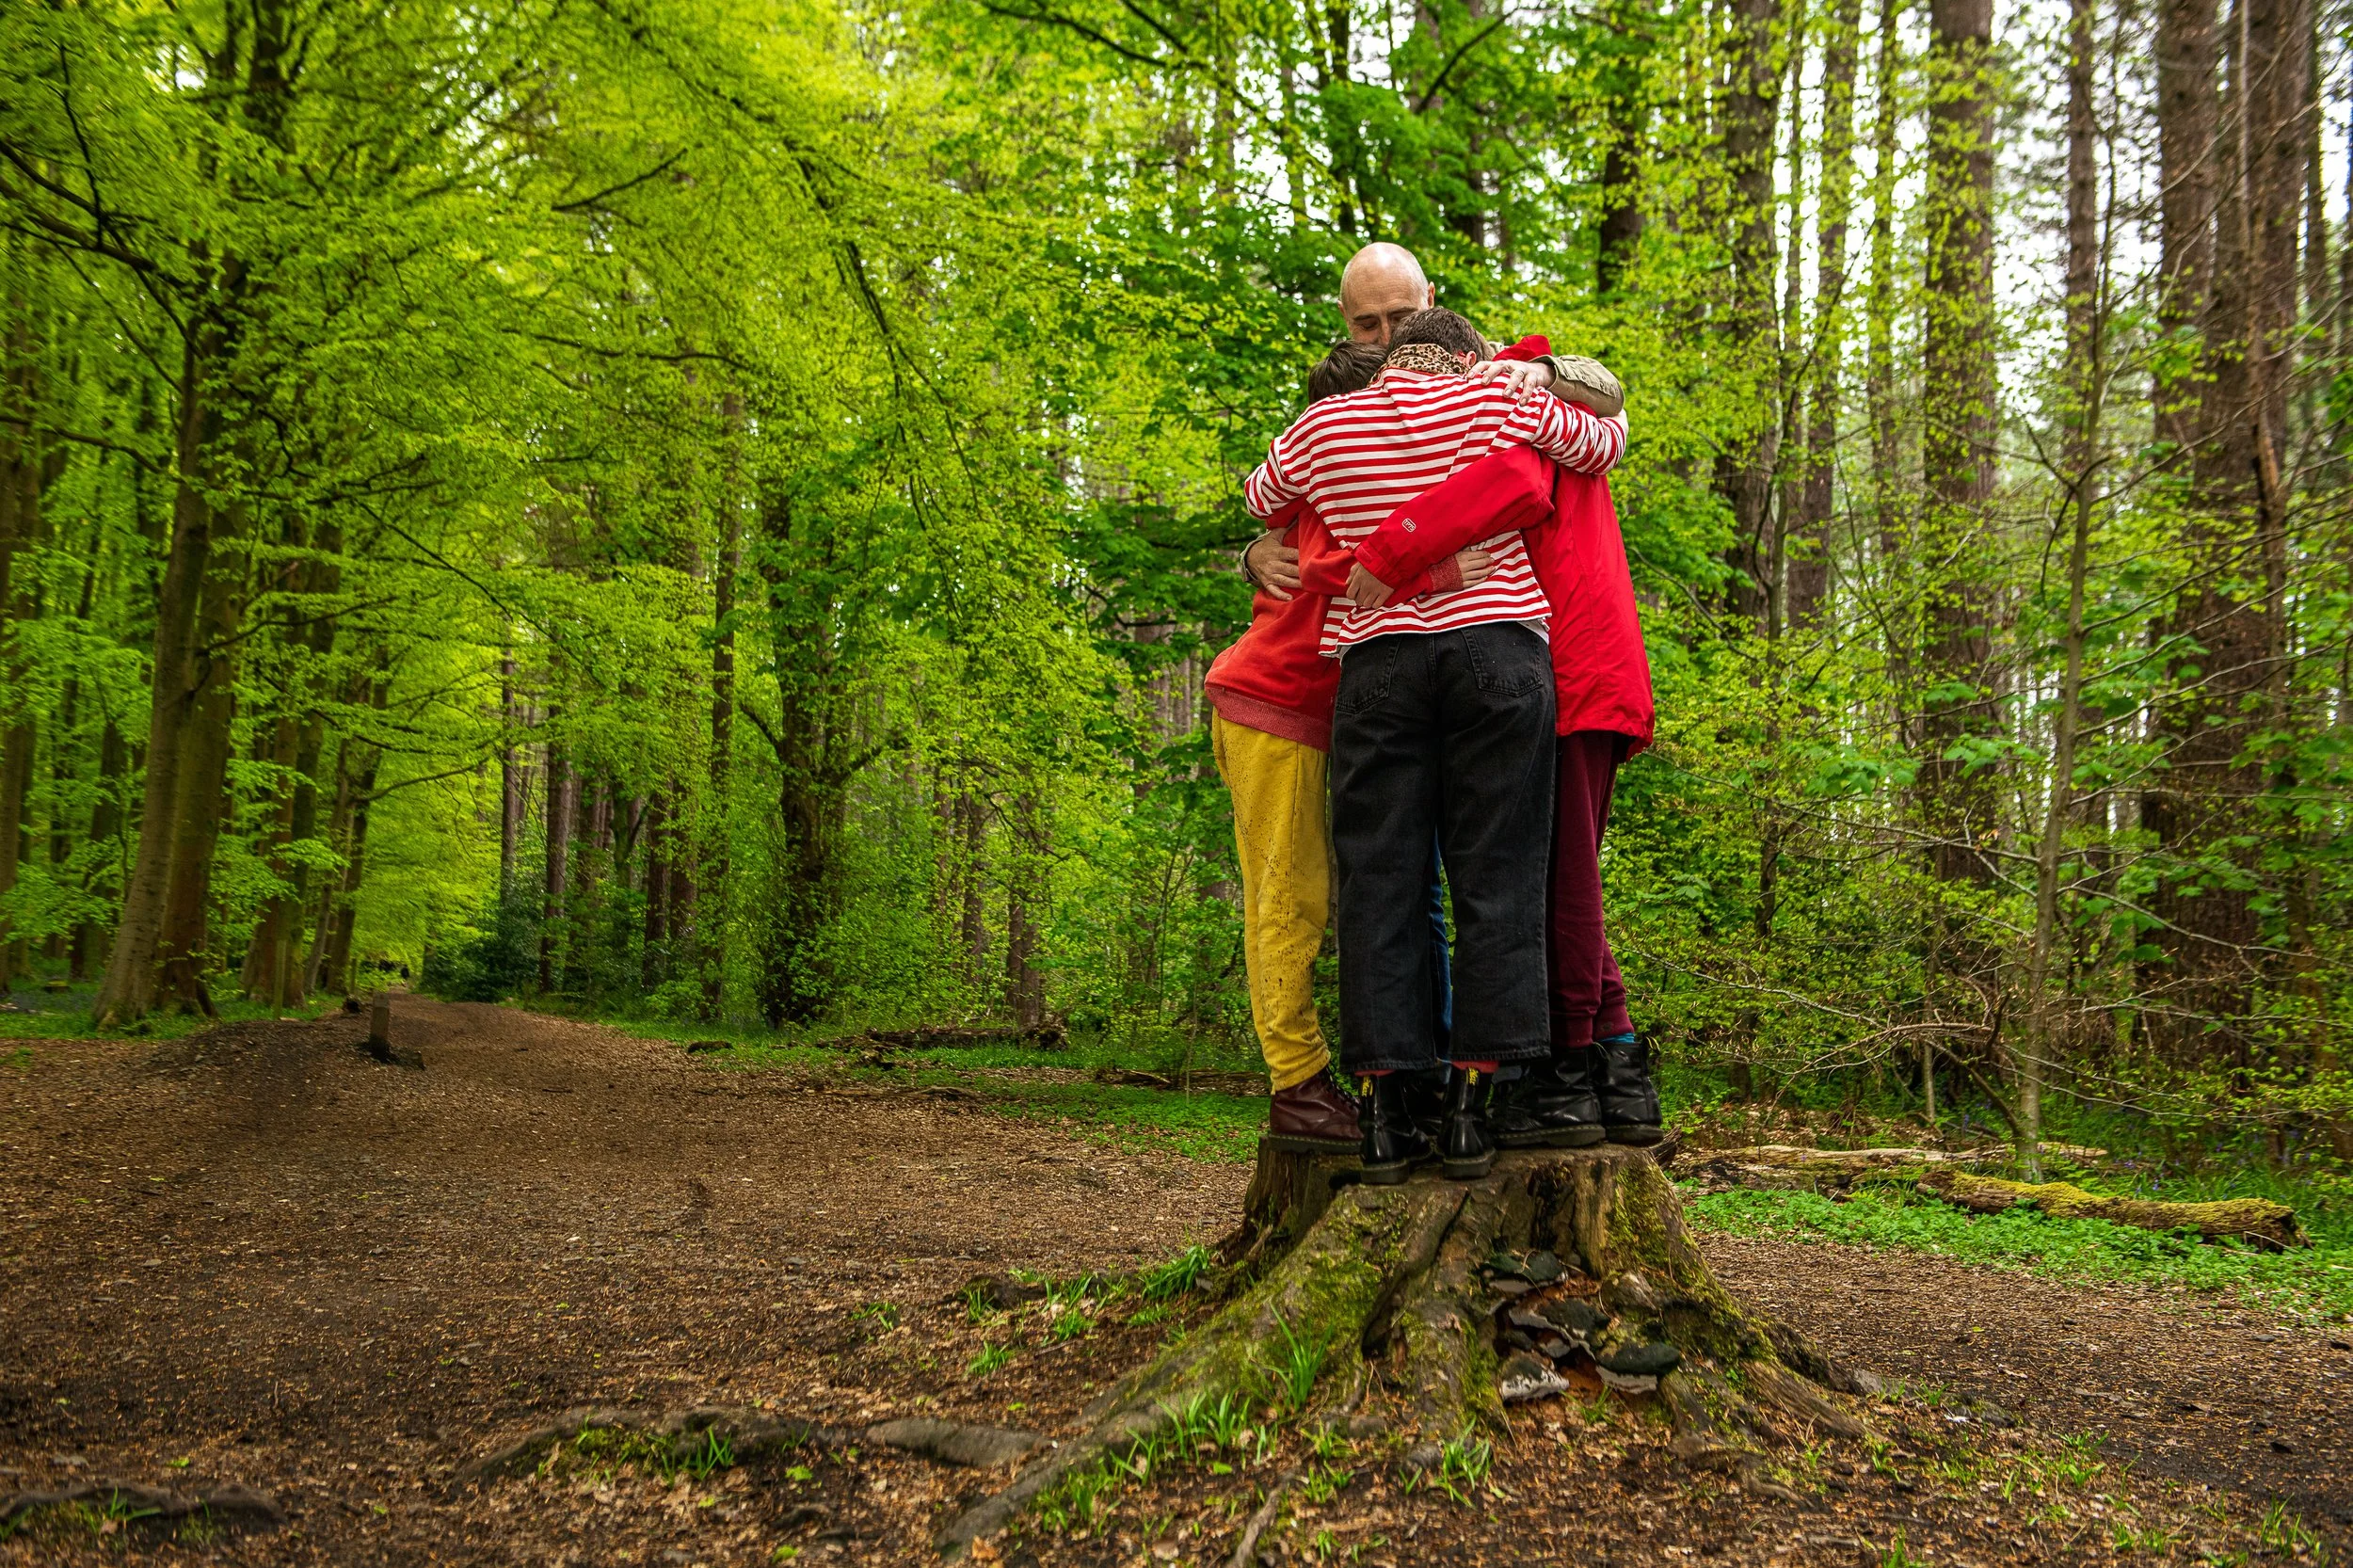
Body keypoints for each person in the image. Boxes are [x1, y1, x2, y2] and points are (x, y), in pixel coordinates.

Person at [1243, 307, 1626, 1183]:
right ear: (1463, 356)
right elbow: (1600, 446)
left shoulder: (1321, 424)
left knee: (1380, 882)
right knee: (1498, 875)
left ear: (1394, 357)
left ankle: (1384, 1116)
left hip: (1376, 664)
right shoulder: (1497, 400)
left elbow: (1265, 501)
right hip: (1498, 649)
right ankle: (1470, 1111)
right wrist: (1536, 381)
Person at [1340, 355, 1663, 1146]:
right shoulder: (1556, 419)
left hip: (1571, 664)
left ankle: (1563, 1078)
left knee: (1557, 886)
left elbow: (1494, 487)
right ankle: (1615, 1072)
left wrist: (1388, 556)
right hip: (1586, 662)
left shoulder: (1510, 411)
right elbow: (1610, 418)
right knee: (1563, 875)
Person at [1207, 339, 1506, 1150]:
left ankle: (1412, 1070)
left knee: (1339, 894)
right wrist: (1441, 576)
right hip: (1269, 704)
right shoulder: (1327, 492)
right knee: (1288, 900)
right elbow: (1325, 562)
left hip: (1312, 713)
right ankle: (1296, 1084)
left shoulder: (1369, 482)